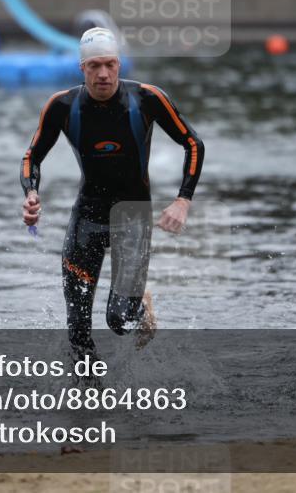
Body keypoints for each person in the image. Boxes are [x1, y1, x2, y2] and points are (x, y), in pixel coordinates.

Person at [20, 27, 204, 357]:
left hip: (133, 217)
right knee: (77, 329)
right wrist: (31, 193)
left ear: (119, 64)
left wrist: (182, 200)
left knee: (118, 320)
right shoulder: (62, 106)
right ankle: (89, 390)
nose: (103, 74)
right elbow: (32, 157)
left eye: (110, 64)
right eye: (94, 66)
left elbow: (193, 143)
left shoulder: (147, 99)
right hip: (87, 216)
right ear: (82, 68)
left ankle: (141, 307)